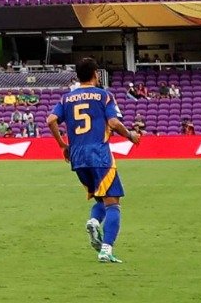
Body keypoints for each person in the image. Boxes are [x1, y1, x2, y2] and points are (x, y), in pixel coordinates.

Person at [48, 57, 141, 264]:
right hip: (99, 155)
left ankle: (93, 221)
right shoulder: (103, 96)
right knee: (113, 203)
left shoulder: (67, 98)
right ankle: (106, 250)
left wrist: (62, 145)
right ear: (95, 73)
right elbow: (114, 122)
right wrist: (130, 136)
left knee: (100, 197)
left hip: (78, 157)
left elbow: (51, 120)